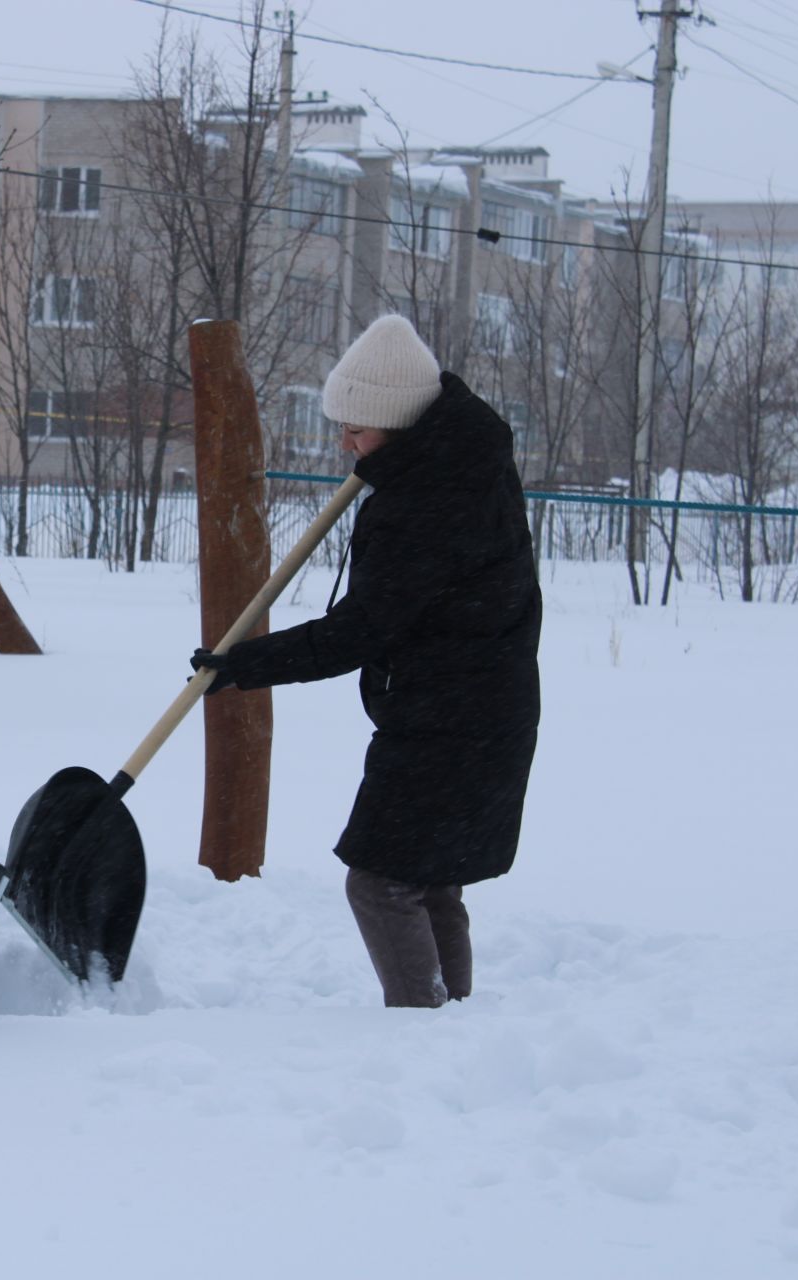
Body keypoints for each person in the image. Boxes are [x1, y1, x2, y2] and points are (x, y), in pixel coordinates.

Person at [190, 314, 541, 1008]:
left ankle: (421, 1023)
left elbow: (363, 630)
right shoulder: (463, 461)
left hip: (448, 718)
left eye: (356, 428)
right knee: (430, 878)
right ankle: (451, 1019)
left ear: (399, 422)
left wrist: (245, 664)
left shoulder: (427, 501)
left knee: (381, 880)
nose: (344, 442)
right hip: (481, 707)